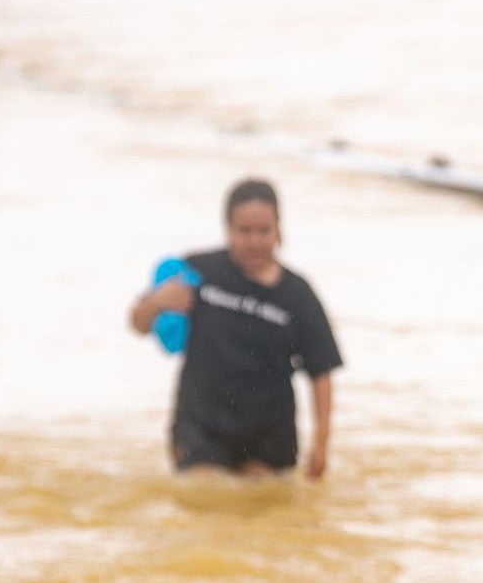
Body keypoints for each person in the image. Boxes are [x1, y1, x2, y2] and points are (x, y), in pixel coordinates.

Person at [129, 179, 342, 479]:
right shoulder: (198, 272)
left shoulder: (297, 294)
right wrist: (155, 302)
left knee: (262, 502)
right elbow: (138, 324)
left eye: (264, 231)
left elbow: (322, 371)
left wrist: (321, 445)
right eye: (244, 231)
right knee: (205, 496)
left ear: (279, 230)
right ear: (227, 229)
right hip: (201, 430)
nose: (254, 241)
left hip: (269, 437)